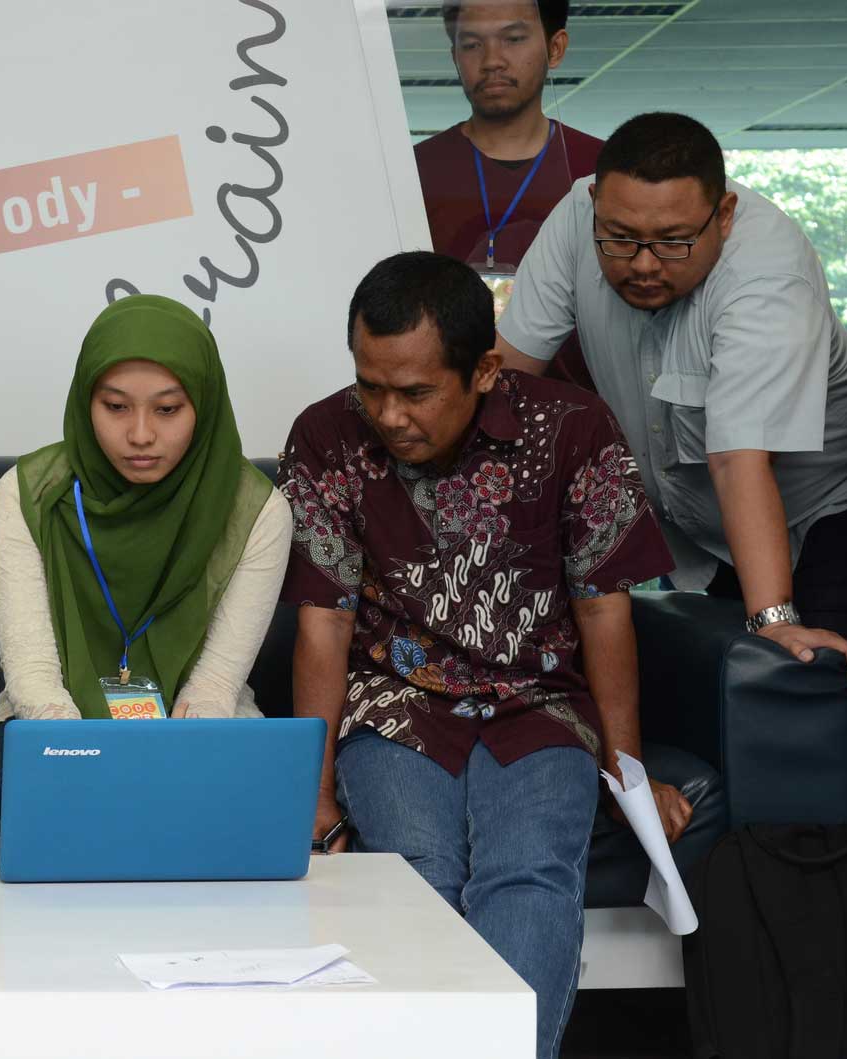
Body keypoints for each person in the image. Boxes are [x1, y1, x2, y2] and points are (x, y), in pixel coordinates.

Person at [281, 252, 691, 1059]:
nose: (388, 414)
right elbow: (325, 622)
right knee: (416, 872)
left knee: (529, 871)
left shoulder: (572, 427)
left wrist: (627, 772)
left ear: (485, 370)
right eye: (371, 385)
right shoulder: (325, 435)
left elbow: (603, 607)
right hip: (394, 701)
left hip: (538, 701)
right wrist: (312, 789)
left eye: (416, 392)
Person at [496, 112, 847, 658]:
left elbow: (740, 461)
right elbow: (508, 380)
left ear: (725, 215)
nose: (642, 264)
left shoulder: (768, 283)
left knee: (801, 677)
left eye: (672, 242)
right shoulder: (576, 216)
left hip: (826, 518)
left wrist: (774, 621)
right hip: (707, 537)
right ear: (595, 203)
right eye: (620, 238)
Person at [0, 294, 293, 811]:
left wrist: (153, 770)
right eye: (116, 407)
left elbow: (213, 687)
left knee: (216, 802)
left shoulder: (256, 511)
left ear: (204, 405)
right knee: (65, 796)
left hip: (201, 726)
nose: (141, 435)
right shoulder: (27, 494)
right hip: (47, 725)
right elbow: (34, 676)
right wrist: (87, 760)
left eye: (168, 409)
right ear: (85, 401)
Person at [414, 0, 600, 388]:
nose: (492, 60)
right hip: (443, 411)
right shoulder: (410, 172)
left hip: (583, 414)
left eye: (513, 39)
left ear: (556, 48)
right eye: (471, 45)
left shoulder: (605, 170)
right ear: (454, 56)